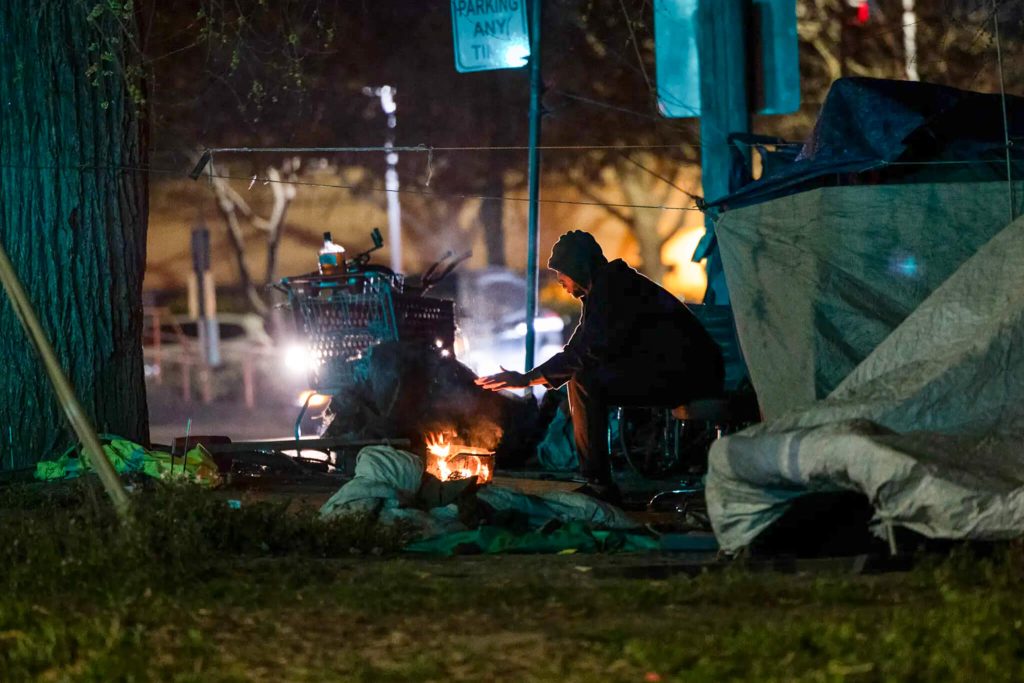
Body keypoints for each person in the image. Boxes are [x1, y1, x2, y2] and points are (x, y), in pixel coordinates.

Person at [475, 230, 724, 503]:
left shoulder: (614, 289)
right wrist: (528, 378)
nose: (560, 282)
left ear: (578, 267)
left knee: (584, 381)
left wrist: (527, 380)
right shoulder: (603, 289)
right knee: (582, 377)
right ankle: (597, 480)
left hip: (691, 375)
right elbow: (578, 348)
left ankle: (599, 485)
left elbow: (587, 352)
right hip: (678, 371)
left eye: (563, 274)